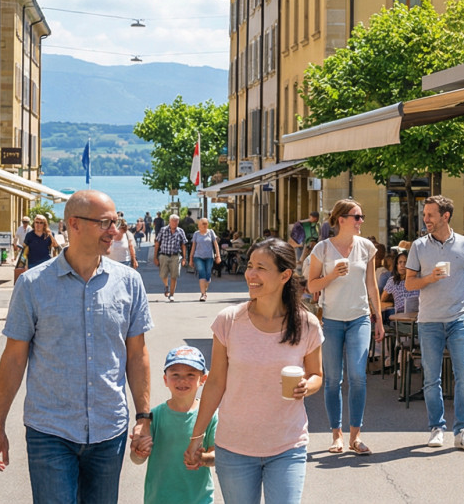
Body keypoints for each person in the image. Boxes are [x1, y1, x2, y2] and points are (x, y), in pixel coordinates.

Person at [0, 190, 153, 504]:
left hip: (109, 430)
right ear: (74, 224)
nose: (114, 231)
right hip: (50, 431)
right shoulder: (33, 285)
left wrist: (144, 417)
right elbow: (13, 358)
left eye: (115, 222)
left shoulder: (129, 282)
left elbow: (137, 353)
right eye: (105, 223)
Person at [188, 239, 322, 504]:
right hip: (234, 447)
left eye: (261, 267)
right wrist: (197, 436)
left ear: (285, 275)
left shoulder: (307, 324)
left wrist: (309, 385)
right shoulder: (229, 320)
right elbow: (215, 383)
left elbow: (317, 374)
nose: (251, 274)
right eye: (250, 266)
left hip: (288, 444)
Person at [404, 195, 464, 451]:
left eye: (430, 215)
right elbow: (408, 283)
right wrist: (429, 278)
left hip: (458, 319)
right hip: (429, 321)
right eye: (424, 215)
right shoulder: (418, 246)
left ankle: (462, 431)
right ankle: (436, 428)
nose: (425, 219)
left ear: (445, 216)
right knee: (431, 378)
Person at [306, 199, 384, 456]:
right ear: (341, 219)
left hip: (360, 318)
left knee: (358, 377)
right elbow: (312, 287)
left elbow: (372, 286)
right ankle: (336, 435)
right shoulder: (322, 249)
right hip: (330, 320)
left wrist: (379, 319)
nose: (361, 221)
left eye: (361, 217)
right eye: (357, 217)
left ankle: (356, 436)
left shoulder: (367, 247)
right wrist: (331, 276)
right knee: (332, 380)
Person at [129, 345, 216, 504]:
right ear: (165, 380)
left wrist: (202, 458)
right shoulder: (154, 417)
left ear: (203, 379)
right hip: (159, 498)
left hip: (199, 499)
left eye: (191, 374)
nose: (182, 380)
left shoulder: (209, 415)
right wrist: (138, 452)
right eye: (175, 374)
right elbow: (137, 459)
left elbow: (217, 455)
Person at [154, 214, 189, 302]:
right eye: (173, 221)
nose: (175, 223)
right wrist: (155, 257)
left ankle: (172, 294)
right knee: (163, 274)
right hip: (164, 255)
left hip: (175, 256)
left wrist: (185, 258)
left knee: (174, 276)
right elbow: (157, 243)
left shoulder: (180, 231)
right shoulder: (163, 230)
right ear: (169, 221)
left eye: (176, 221)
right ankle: (166, 286)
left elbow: (184, 245)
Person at [380, 250, 419, 319]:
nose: (402, 265)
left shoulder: (417, 279)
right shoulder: (392, 281)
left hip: (418, 313)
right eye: (400, 262)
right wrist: (393, 300)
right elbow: (383, 299)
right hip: (400, 315)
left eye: (405, 262)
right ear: (396, 265)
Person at [191, 218, 221, 302]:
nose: (204, 225)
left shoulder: (211, 232)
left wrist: (218, 256)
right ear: (199, 225)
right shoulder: (196, 234)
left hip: (209, 257)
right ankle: (203, 294)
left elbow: (216, 245)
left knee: (208, 276)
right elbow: (193, 247)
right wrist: (191, 258)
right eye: (202, 224)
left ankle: (205, 287)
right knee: (202, 273)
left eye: (205, 223)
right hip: (198, 257)